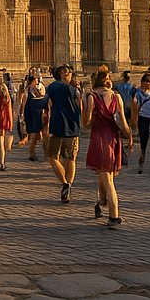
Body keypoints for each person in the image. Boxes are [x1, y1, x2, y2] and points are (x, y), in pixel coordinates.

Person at [83, 65, 132, 228]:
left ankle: (114, 216)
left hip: (98, 139)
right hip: (113, 138)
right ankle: (101, 201)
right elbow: (123, 121)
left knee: (107, 178)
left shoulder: (92, 97)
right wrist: (129, 136)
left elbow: (86, 121)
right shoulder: (116, 97)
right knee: (104, 174)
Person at [41, 64, 83, 203]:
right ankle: (67, 184)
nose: (69, 74)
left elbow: (47, 105)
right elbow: (80, 105)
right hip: (72, 126)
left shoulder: (52, 87)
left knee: (54, 156)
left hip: (58, 126)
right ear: (61, 73)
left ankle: (66, 184)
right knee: (68, 157)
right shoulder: (72, 89)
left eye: (70, 72)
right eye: (67, 72)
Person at [19, 73, 46, 161]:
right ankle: (32, 153)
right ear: (34, 80)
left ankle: (32, 152)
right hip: (34, 111)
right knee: (35, 132)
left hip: (29, 111)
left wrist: (20, 113)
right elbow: (41, 98)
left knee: (35, 132)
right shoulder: (33, 88)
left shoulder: (26, 89)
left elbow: (22, 101)